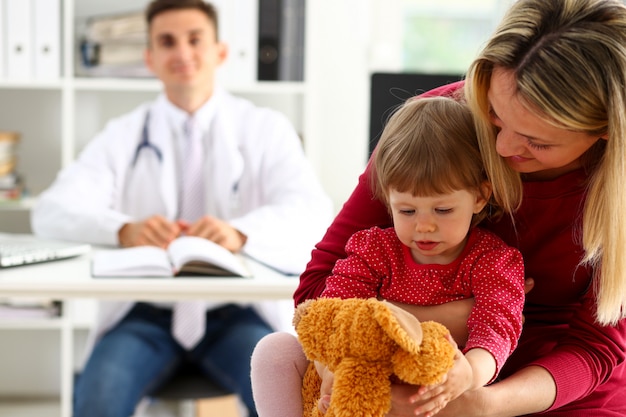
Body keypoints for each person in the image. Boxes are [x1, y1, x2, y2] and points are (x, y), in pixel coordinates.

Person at [292, 0, 626, 415]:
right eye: (494, 116)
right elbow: (316, 291)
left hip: (559, 393)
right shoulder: (430, 133)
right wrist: (458, 316)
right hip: (417, 375)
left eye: (536, 141)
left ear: (608, 132)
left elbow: (596, 347)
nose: (501, 149)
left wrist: (483, 403)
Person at [30, 1, 332, 417]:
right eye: (167, 42)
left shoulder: (265, 128)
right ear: (150, 58)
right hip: (146, 315)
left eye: (195, 40)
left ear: (220, 52)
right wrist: (122, 229)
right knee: (97, 400)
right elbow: (51, 211)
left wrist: (241, 233)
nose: (183, 54)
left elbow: (313, 211)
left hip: (235, 314)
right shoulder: (123, 134)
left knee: (293, 398)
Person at [251, 96, 526, 417]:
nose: (424, 226)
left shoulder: (492, 259)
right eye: (407, 210)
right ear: (387, 198)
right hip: (359, 368)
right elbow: (335, 309)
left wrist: (470, 373)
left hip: (437, 385)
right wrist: (330, 370)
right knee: (275, 351)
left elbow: (497, 327)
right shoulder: (374, 248)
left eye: (443, 209)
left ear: (480, 196)